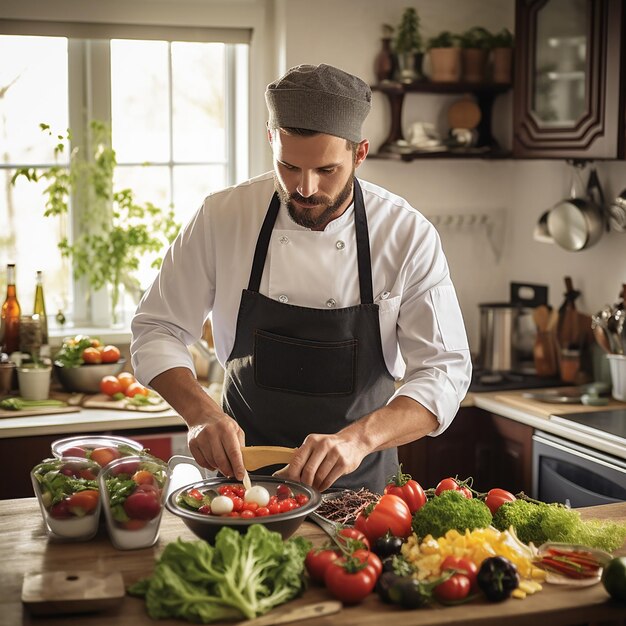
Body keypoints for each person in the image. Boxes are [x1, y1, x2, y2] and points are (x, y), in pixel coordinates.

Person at [131, 63, 472, 493]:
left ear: (360, 153)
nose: (305, 189)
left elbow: (445, 372)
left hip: (363, 493)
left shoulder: (406, 234)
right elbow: (156, 327)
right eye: (289, 167)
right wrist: (200, 412)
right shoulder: (222, 216)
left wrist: (359, 439)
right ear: (271, 139)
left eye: (326, 170)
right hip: (242, 486)